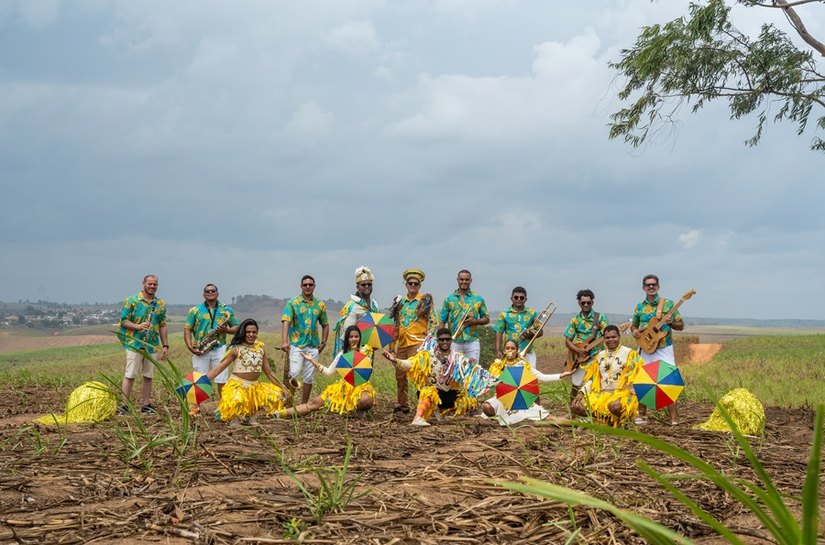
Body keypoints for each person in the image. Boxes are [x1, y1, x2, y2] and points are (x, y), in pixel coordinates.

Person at [383, 328, 476, 426]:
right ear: (437, 341)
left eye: (447, 339)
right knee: (428, 391)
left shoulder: (458, 358)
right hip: (431, 393)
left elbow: (466, 377)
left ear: (451, 341)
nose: (445, 342)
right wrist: (396, 360)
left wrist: (470, 367)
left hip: (448, 394)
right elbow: (411, 364)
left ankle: (443, 412)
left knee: (469, 399)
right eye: (442, 339)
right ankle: (418, 418)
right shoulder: (427, 355)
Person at [277, 325, 375, 418]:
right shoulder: (342, 355)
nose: (354, 339)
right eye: (351, 337)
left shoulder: (365, 352)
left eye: (356, 336)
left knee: (366, 400)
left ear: (360, 338)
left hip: (361, 387)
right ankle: (280, 414)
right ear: (346, 339)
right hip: (342, 389)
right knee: (313, 404)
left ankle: (357, 410)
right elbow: (328, 372)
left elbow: (368, 370)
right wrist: (312, 360)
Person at [207, 319, 286, 425]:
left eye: (254, 332)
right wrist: (202, 380)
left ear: (257, 332)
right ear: (243, 333)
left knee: (277, 395)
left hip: (254, 387)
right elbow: (218, 369)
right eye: (248, 332)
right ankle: (234, 417)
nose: (251, 335)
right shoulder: (236, 349)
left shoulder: (261, 347)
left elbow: (269, 372)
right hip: (237, 386)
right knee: (237, 399)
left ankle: (250, 416)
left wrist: (283, 388)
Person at [630, 274, 684, 425]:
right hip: (645, 347)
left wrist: (671, 322)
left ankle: (673, 418)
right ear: (643, 288)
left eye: (654, 284)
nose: (651, 287)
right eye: (648, 285)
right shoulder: (639, 307)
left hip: (664, 347)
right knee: (642, 379)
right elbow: (634, 324)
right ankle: (642, 415)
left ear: (658, 287)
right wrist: (634, 330)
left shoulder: (668, 305)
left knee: (669, 380)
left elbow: (681, 326)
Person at [481, 339, 573, 425]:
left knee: (548, 417)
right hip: (502, 398)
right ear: (504, 351)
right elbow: (490, 383)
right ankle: (504, 416)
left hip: (519, 398)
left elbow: (541, 377)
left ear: (517, 351)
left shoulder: (523, 365)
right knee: (486, 407)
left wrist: (562, 375)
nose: (510, 350)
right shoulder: (497, 366)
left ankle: (573, 423)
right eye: (507, 348)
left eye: (513, 348)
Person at [571, 325, 642, 427]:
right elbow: (594, 379)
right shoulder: (599, 356)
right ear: (604, 339)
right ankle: (606, 421)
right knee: (576, 406)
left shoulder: (630, 354)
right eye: (607, 338)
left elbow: (638, 377)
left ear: (619, 337)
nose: (611, 340)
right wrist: (582, 392)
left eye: (614, 337)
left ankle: (624, 422)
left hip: (623, 394)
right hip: (603, 394)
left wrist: (634, 395)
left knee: (614, 406)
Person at [117, 274, 168, 415]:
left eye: (155, 284)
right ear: (143, 284)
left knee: (148, 375)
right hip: (134, 343)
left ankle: (146, 405)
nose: (152, 287)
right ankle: (124, 406)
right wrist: (138, 327)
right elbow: (124, 321)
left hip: (152, 344)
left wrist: (165, 345)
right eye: (150, 284)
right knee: (130, 374)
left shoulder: (160, 304)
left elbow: (162, 325)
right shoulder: (131, 300)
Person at [388, 268, 437, 413]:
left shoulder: (424, 301)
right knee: (400, 376)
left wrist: (428, 341)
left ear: (420, 285)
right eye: (410, 283)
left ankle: (422, 405)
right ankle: (403, 405)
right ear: (406, 284)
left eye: (416, 284)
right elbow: (396, 325)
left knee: (419, 376)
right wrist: (392, 345)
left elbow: (434, 321)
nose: (413, 286)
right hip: (402, 344)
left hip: (417, 344)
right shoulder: (400, 302)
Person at [183, 283, 239, 409]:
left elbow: (236, 327)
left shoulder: (226, 310)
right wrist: (190, 346)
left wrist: (226, 330)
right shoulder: (195, 310)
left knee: (222, 378)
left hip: (219, 347)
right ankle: (197, 407)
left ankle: (224, 406)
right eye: (207, 291)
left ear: (217, 293)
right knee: (198, 377)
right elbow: (187, 329)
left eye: (213, 291)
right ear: (203, 294)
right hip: (200, 348)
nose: (210, 293)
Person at [281, 275, 330, 404]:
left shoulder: (320, 305)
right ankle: (289, 404)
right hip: (297, 345)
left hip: (313, 346)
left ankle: (304, 406)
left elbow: (325, 324)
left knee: (308, 378)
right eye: (305, 285)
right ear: (301, 286)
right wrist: (285, 341)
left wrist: (324, 342)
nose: (308, 287)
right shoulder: (293, 303)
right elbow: (286, 321)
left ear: (314, 286)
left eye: (310, 284)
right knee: (294, 374)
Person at [563, 289, 609, 399]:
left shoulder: (600, 318)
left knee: (596, 383)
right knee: (576, 384)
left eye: (588, 302)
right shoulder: (575, 320)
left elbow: (607, 335)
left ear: (592, 302)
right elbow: (568, 340)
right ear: (579, 303)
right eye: (583, 302)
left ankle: (592, 409)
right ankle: (573, 410)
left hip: (596, 356)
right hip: (579, 357)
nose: (586, 304)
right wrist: (578, 350)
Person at [438, 270, 489, 366]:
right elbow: (442, 321)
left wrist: (474, 321)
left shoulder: (478, 298)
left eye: (466, 279)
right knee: (453, 371)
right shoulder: (449, 299)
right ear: (457, 280)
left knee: (472, 371)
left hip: (472, 342)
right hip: (454, 342)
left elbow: (486, 319)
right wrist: (439, 340)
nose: (464, 282)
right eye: (461, 279)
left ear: (471, 281)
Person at [334, 266, 378, 354]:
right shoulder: (353, 305)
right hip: (354, 349)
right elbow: (348, 330)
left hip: (369, 348)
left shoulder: (374, 304)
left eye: (369, 284)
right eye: (363, 284)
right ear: (357, 286)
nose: (367, 287)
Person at [493, 286, 542, 365]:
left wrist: (531, 334)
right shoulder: (504, 314)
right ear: (511, 298)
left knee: (531, 377)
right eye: (516, 297)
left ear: (525, 299)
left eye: (521, 298)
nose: (519, 299)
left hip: (528, 353)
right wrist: (498, 350)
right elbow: (499, 331)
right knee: (510, 376)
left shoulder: (532, 313)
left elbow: (540, 332)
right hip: (510, 354)